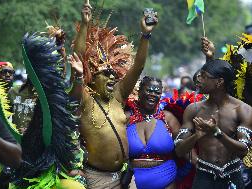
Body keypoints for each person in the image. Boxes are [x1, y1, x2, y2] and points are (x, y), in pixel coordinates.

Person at [69, 0, 158, 188]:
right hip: (96, 178)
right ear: (92, 79)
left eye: (114, 74)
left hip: (125, 176)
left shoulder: (118, 97)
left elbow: (138, 66)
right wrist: (85, 24)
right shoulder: (85, 100)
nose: (112, 78)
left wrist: (146, 35)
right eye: (106, 74)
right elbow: (78, 60)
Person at [175, 58, 252, 189]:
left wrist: (217, 133)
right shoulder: (193, 109)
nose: (198, 79)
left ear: (219, 82)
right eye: (199, 75)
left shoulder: (243, 109)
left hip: (232, 177)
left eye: (204, 76)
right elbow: (179, 151)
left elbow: (243, 150)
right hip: (203, 178)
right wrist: (196, 136)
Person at [125, 76, 180, 189]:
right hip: (133, 180)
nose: (153, 94)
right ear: (139, 91)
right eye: (149, 90)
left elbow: (182, 147)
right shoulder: (126, 118)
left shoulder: (168, 118)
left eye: (157, 92)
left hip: (166, 178)